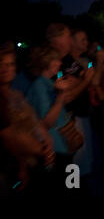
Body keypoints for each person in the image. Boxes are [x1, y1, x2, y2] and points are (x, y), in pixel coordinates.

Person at [26, 45, 82, 196]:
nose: (59, 63)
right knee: (64, 189)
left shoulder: (50, 83)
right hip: (54, 151)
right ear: (46, 62)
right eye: (56, 60)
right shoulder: (39, 85)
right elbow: (46, 123)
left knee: (73, 186)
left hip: (65, 147)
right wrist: (61, 97)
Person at [0, 42, 54, 195]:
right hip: (12, 165)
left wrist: (47, 144)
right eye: (2, 64)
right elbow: (11, 137)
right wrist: (44, 151)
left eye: (10, 64)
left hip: (33, 161)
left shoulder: (16, 94)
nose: (6, 69)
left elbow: (35, 122)